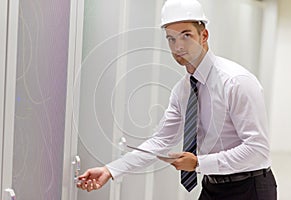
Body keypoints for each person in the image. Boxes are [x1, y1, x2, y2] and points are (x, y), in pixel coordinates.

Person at [77, 0, 277, 199]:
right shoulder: (183, 90)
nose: (178, 46)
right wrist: (110, 170)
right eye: (171, 39)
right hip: (213, 186)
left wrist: (199, 163)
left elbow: (257, 149)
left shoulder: (236, 82)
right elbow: (161, 140)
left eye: (186, 35)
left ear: (204, 36)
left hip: (250, 187)